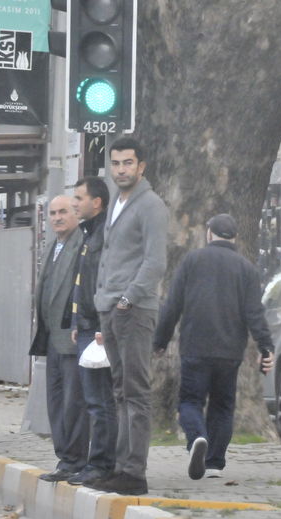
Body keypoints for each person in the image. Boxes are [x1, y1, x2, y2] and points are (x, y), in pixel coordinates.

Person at [153, 213, 275, 480]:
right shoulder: (246, 269)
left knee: (190, 401)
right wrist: (266, 347)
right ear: (235, 237)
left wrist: (159, 341)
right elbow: (255, 313)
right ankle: (214, 463)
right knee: (223, 405)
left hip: (195, 346)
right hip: (230, 351)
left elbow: (172, 305)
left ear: (209, 233)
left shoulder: (192, 261)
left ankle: (197, 438)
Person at [89, 137, 168, 495]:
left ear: (142, 166)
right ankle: (121, 468)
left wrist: (126, 299)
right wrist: (102, 298)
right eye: (116, 163)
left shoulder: (150, 205)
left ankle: (134, 473)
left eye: (128, 163)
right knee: (119, 391)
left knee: (136, 392)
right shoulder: (117, 204)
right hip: (111, 307)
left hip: (134, 309)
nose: (121, 169)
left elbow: (155, 261)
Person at [28, 195, 87, 482]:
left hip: (71, 336)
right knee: (55, 400)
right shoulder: (54, 245)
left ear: (76, 213)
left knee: (73, 401)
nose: (57, 217)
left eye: (63, 211)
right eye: (52, 213)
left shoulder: (82, 244)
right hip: (51, 337)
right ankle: (64, 457)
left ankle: (74, 459)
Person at [65, 177, 117, 486]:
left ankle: (101, 465)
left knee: (100, 401)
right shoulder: (88, 234)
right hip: (85, 327)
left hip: (98, 329)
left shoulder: (104, 234)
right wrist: (76, 321)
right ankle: (90, 462)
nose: (74, 203)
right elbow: (82, 284)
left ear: (96, 202)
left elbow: (105, 281)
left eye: (79, 198)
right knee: (92, 400)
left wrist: (99, 325)